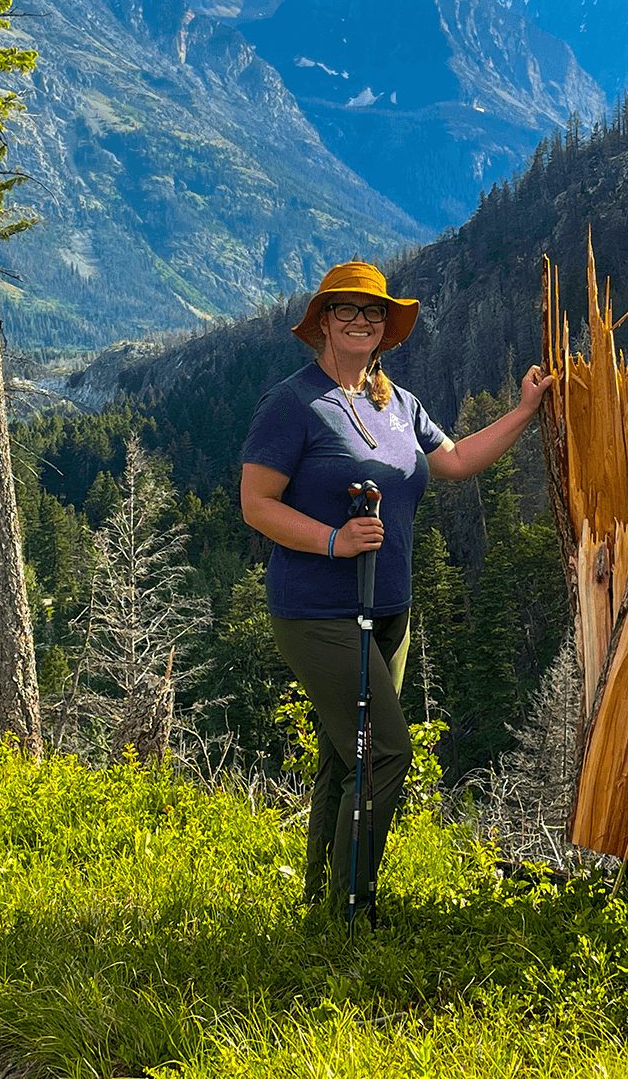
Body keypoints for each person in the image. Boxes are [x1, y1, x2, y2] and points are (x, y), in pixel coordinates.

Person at [240, 261, 553, 910]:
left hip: (390, 610)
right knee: (385, 753)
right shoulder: (292, 403)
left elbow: (458, 460)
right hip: (317, 610)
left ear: (387, 328)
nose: (361, 320)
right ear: (322, 321)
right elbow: (256, 504)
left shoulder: (399, 403)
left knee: (344, 756)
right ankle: (356, 910)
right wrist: (334, 540)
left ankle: (320, 906)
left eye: (374, 312)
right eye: (347, 309)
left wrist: (527, 410)